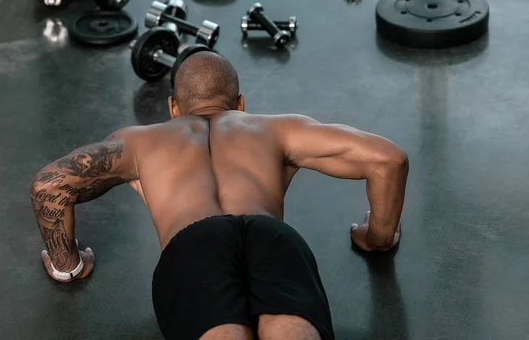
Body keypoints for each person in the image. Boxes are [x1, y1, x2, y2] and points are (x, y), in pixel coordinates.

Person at [30, 51, 408, 340]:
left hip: (194, 245)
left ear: (173, 108)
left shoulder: (138, 141)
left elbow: (50, 185)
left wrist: (69, 264)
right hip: (271, 237)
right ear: (240, 104)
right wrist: (377, 237)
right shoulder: (277, 129)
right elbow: (388, 160)